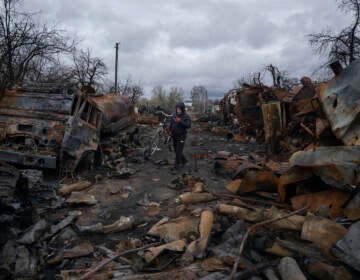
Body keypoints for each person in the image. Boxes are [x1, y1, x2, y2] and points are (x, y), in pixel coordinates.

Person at [169, 102, 191, 172]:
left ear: (182, 109)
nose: (178, 110)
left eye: (179, 109)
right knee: (176, 150)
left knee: (178, 152)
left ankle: (176, 167)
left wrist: (180, 121)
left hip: (181, 136)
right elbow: (171, 123)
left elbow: (188, 126)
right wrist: (169, 130)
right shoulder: (174, 115)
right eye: (177, 109)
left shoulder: (186, 116)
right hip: (174, 135)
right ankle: (184, 161)